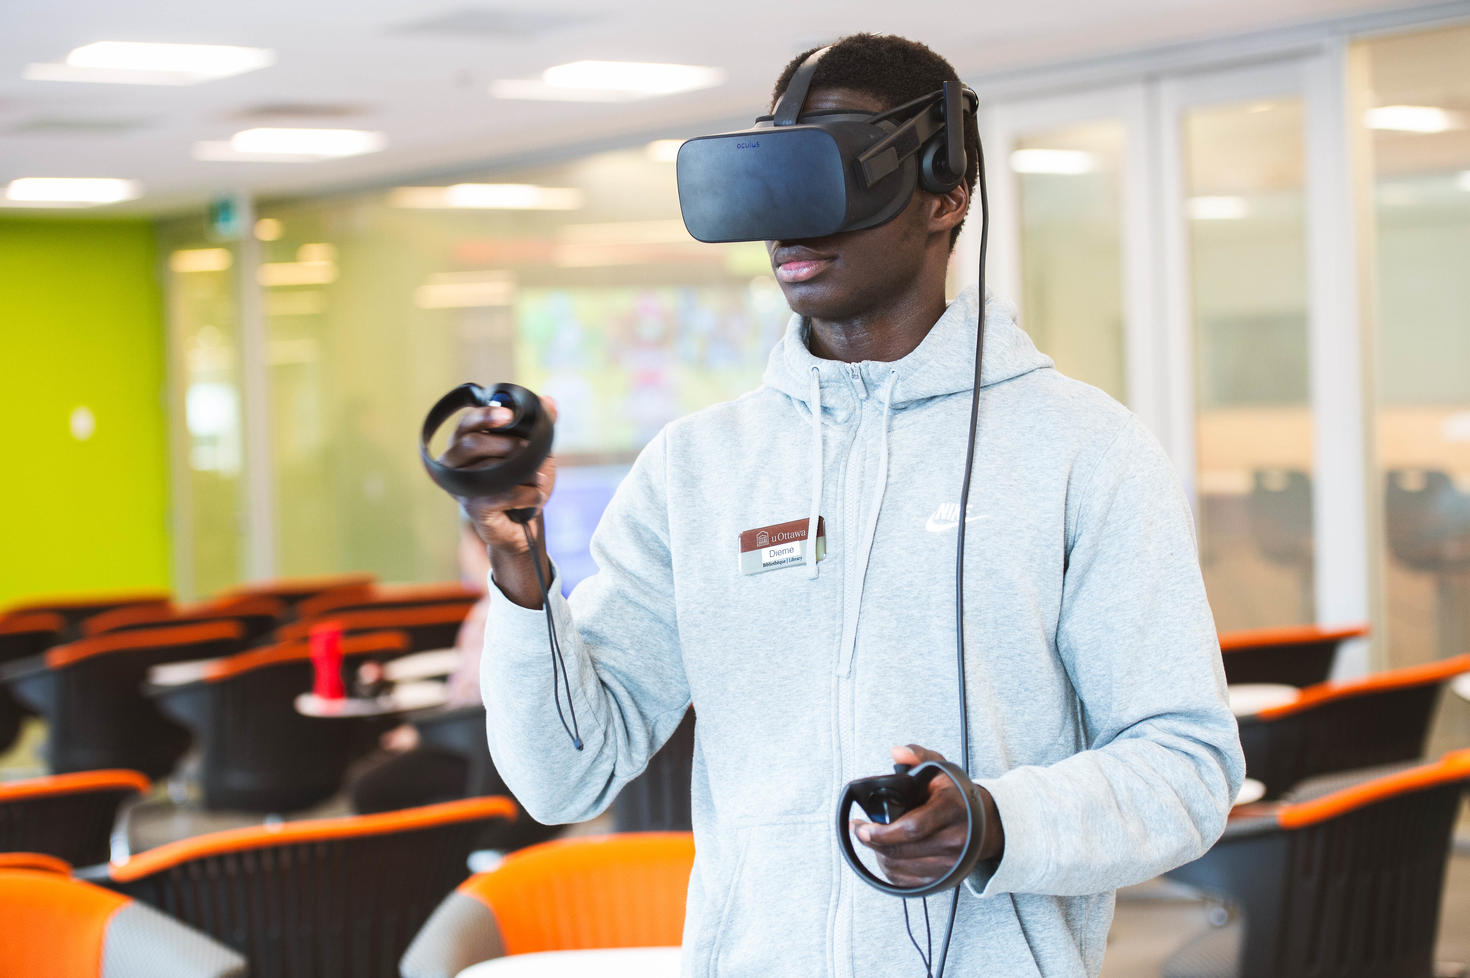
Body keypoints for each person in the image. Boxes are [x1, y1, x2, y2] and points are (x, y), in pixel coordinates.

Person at [444, 33, 1244, 978]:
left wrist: (993, 825)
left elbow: (1185, 770)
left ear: (946, 192)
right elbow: (565, 775)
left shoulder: (1082, 450)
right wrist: (520, 568)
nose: (789, 218)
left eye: (827, 171)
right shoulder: (697, 468)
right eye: (774, 177)